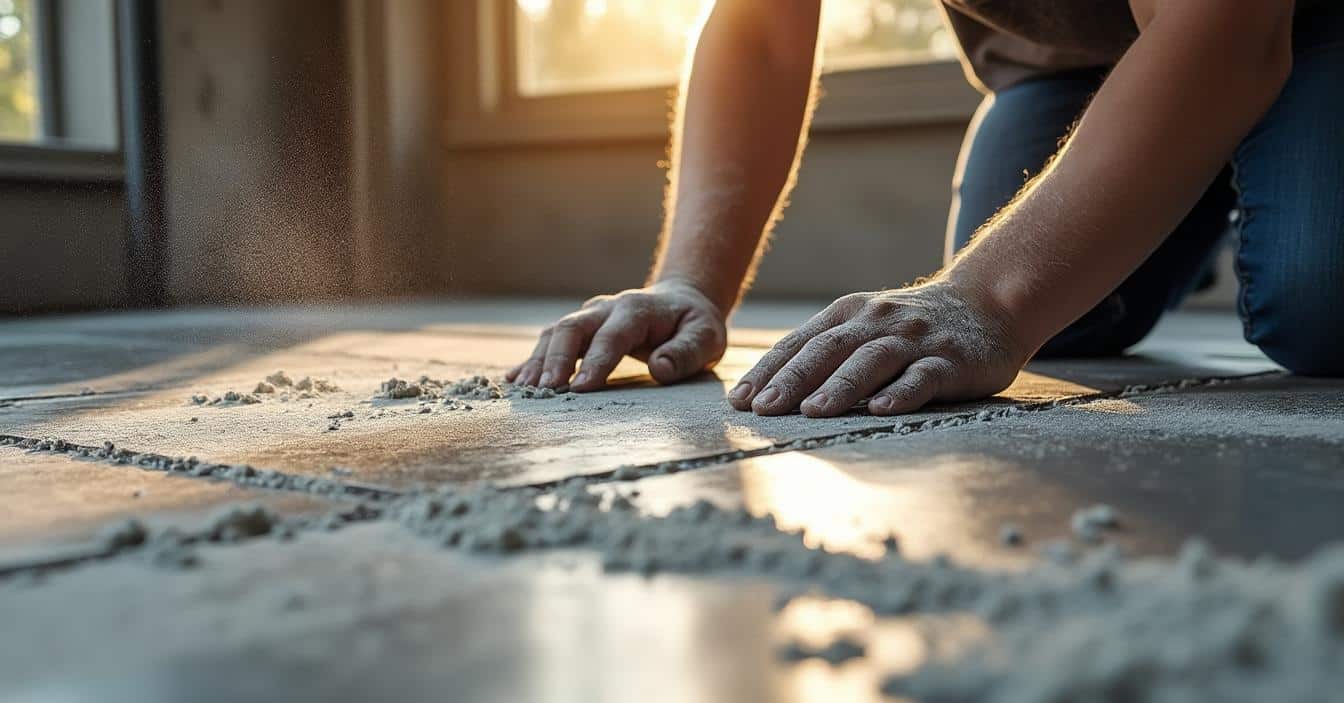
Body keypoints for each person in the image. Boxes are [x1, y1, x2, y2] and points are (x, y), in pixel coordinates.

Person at [507, 0, 1342, 417]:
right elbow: (761, 31)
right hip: (1070, 65)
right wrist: (690, 282)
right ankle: (1206, 181)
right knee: (1067, 321)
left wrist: (987, 300)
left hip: (1302, 23)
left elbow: (1226, 28)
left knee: (1319, 301)